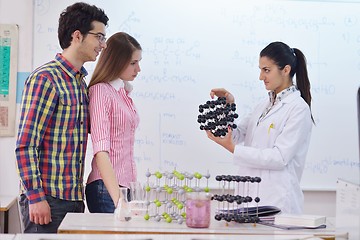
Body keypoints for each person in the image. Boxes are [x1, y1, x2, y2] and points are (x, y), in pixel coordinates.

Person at [15, 2, 109, 233]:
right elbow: (26, 145)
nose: (103, 45)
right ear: (77, 35)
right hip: (47, 200)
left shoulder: (79, 82)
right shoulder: (46, 78)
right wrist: (36, 198)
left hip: (73, 199)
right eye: (99, 37)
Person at [207, 41, 314, 214]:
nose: (260, 77)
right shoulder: (263, 105)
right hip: (250, 197)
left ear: (286, 70)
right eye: (260, 69)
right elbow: (237, 134)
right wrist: (227, 107)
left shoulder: (298, 109)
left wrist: (234, 149)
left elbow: (280, 157)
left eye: (266, 70)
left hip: (276, 200)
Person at [85, 32, 142, 213]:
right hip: (106, 189)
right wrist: (119, 200)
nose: (138, 69)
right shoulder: (101, 91)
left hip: (124, 188)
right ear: (117, 61)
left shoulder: (123, 94)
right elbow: (101, 151)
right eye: (133, 63)